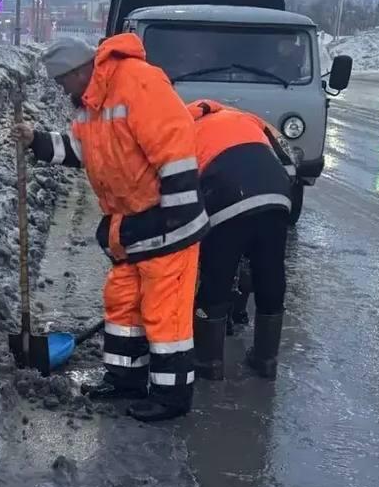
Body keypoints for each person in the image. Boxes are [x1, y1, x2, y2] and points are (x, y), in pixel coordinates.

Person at [16, 35, 208, 422]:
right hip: (131, 227)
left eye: (61, 81)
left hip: (167, 222)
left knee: (163, 314)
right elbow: (81, 150)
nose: (59, 90)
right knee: (123, 306)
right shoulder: (90, 104)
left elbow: (175, 143)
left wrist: (173, 216)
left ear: (79, 70)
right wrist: (36, 141)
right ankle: (126, 379)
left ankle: (171, 398)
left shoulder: (137, 81)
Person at [186, 99, 295, 381]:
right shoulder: (248, 118)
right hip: (276, 192)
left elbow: (178, 184)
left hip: (225, 196)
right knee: (270, 272)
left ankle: (208, 362)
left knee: (216, 275)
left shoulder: (185, 128)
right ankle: (266, 359)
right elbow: (289, 162)